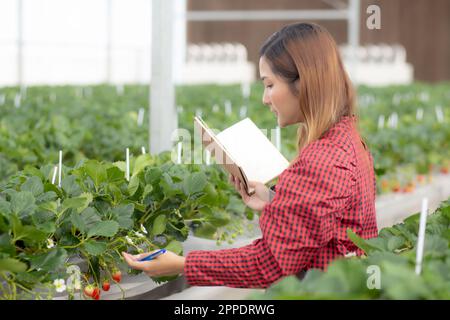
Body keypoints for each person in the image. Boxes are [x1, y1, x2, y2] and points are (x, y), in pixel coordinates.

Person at [122, 22, 378, 288]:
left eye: (269, 85)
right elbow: (329, 224)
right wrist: (274, 200)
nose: (265, 99)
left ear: (304, 83)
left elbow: (269, 265)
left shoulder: (322, 160)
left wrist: (183, 264)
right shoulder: (348, 140)